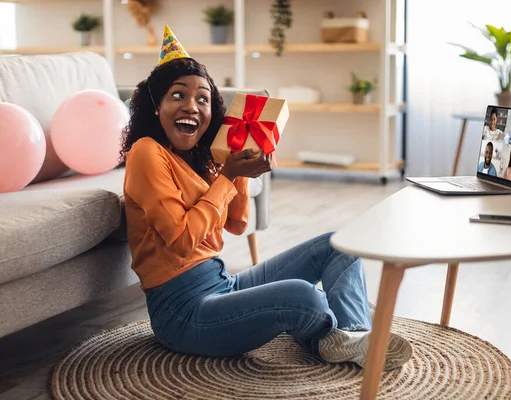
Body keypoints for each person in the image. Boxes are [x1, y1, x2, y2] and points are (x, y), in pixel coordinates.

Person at [120, 25, 412, 371]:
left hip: (221, 283)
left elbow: (238, 223)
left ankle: (351, 337)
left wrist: (240, 170)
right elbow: (182, 241)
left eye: (202, 99)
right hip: (182, 312)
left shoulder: (200, 157)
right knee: (303, 296)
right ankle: (334, 333)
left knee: (341, 245)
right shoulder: (147, 152)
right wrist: (228, 176)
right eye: (178, 95)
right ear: (156, 106)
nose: (192, 106)